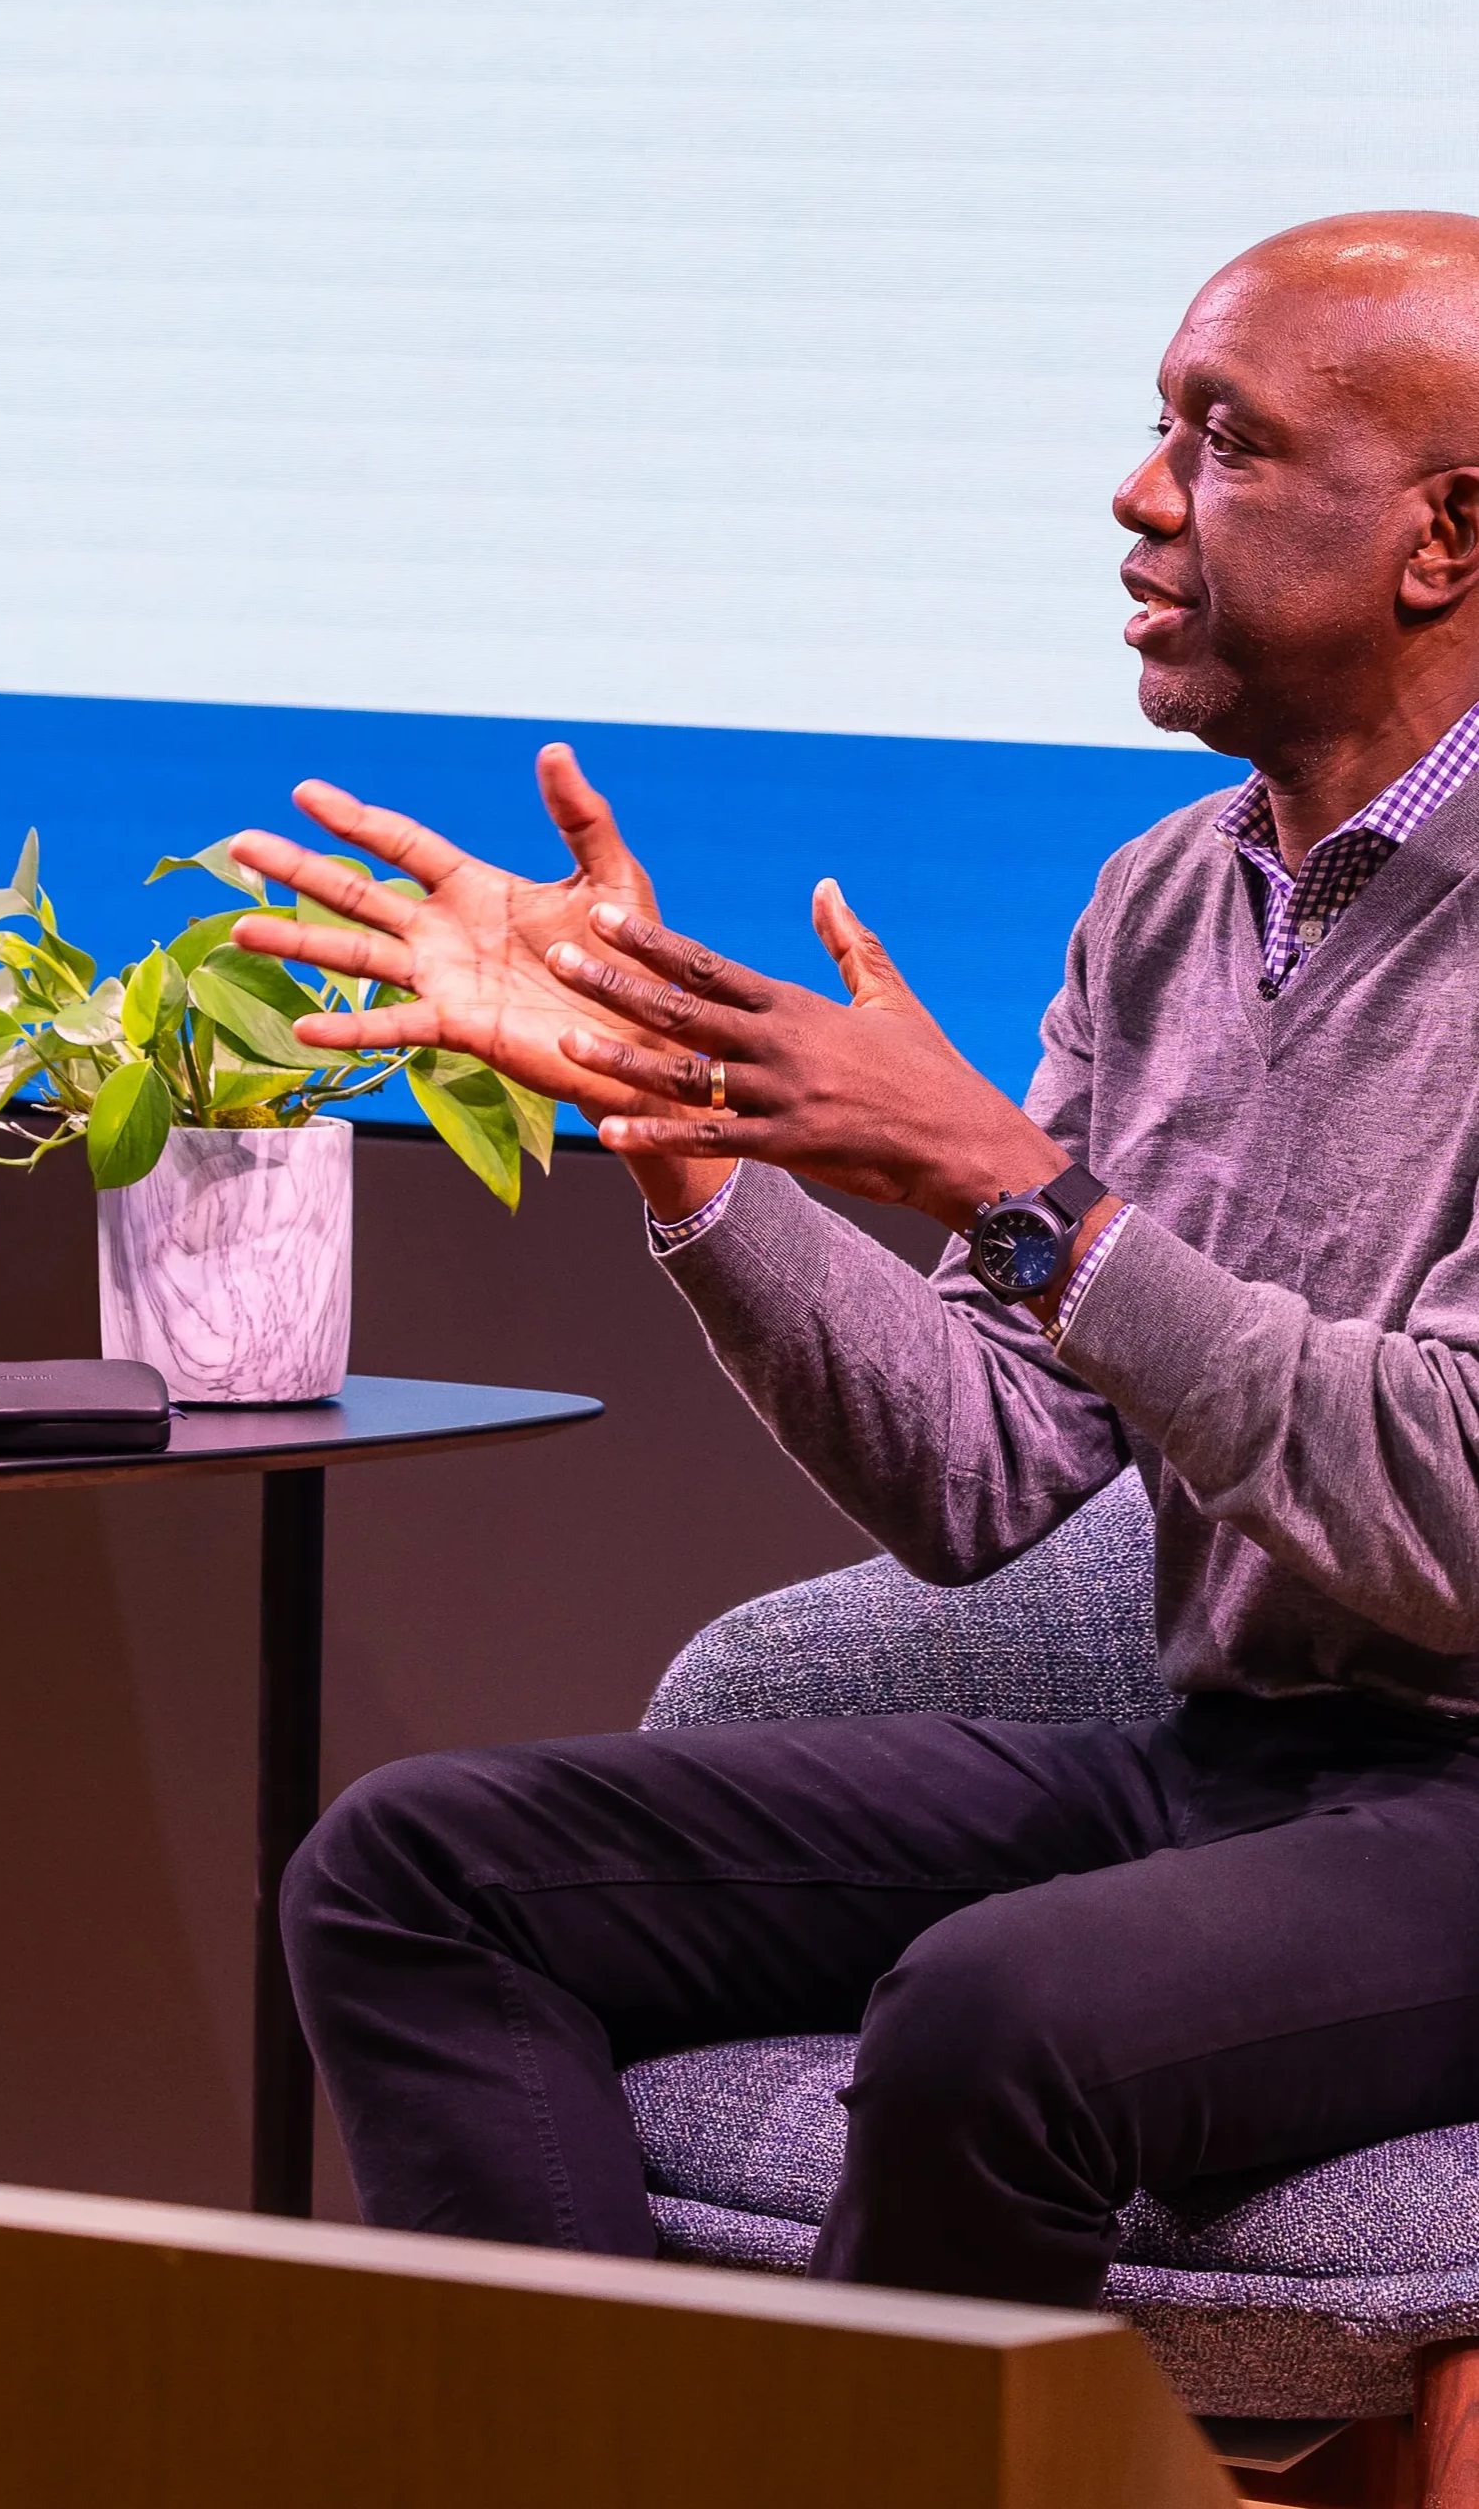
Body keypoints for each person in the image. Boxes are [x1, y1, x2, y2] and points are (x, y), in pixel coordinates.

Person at [225, 211, 1479, 2307]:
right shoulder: (1162, 901)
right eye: (1156, 425)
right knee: (410, 1872)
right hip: (1237, 1763)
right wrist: (676, 1136)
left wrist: (1025, 1197)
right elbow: (979, 1475)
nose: (1139, 493)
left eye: (1225, 441)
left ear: (1442, 537)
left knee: (996, 2016)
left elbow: (1451, 1514)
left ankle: (833, 2455)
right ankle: (616, 2448)